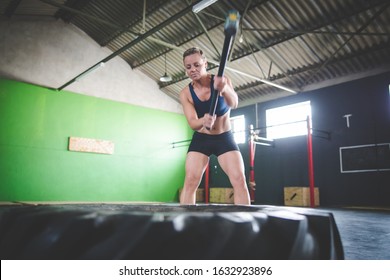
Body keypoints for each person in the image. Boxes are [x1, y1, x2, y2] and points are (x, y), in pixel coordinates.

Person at [179, 47, 251, 205]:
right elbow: (192, 122)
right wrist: (203, 121)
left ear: (205, 63)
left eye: (197, 65)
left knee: (239, 180)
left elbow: (234, 103)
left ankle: (244, 225)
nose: (193, 69)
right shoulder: (186, 93)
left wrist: (224, 88)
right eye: (188, 67)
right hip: (202, 139)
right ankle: (185, 224)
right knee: (190, 181)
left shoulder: (222, 80)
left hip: (224, 138)